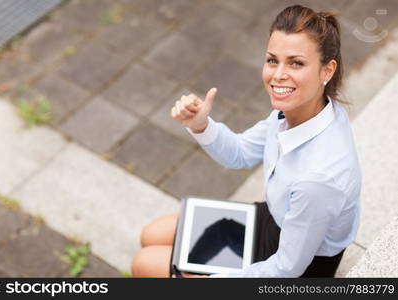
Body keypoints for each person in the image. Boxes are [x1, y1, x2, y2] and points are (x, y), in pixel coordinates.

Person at [131, 5, 361, 278]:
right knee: (152, 234)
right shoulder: (305, 109)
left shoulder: (318, 179)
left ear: (327, 71)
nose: (278, 75)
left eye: (296, 63)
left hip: (299, 265)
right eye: (272, 60)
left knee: (145, 264)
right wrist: (200, 124)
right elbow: (239, 153)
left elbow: (287, 268)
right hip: (279, 221)